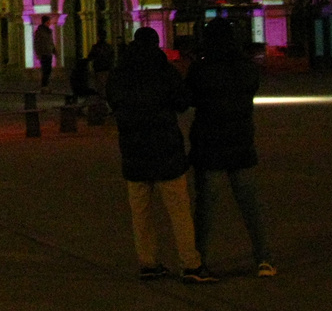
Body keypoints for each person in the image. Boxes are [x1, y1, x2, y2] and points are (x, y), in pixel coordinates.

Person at [107, 27, 215, 283]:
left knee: (141, 212)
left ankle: (148, 263)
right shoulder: (164, 71)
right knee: (179, 210)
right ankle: (190, 264)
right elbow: (182, 102)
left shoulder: (119, 74)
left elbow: (113, 102)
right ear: (155, 44)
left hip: (133, 151)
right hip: (166, 150)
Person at [186, 19, 274, 278]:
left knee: (205, 208)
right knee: (250, 205)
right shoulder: (246, 68)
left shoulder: (201, 68)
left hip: (209, 144)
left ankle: (199, 260)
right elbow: (251, 88)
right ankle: (264, 259)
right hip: (240, 142)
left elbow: (188, 98)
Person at [34, 17, 56, 89]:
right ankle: (44, 85)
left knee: (48, 69)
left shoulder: (49, 31)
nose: (49, 23)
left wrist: (54, 50)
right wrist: (38, 53)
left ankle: (46, 84)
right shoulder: (40, 31)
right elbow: (37, 43)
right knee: (45, 69)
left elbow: (51, 42)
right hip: (43, 53)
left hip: (48, 53)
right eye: (48, 22)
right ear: (45, 22)